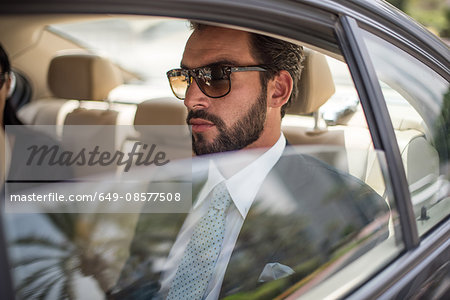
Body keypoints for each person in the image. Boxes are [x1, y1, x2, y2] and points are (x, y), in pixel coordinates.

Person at [112, 24, 389, 299]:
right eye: (186, 77)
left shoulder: (353, 212)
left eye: (217, 76)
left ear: (277, 90)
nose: (190, 99)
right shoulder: (170, 182)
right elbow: (135, 287)